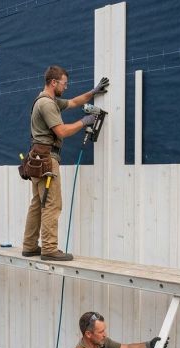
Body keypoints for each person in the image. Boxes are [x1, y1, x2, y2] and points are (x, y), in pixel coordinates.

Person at [22, 65, 109, 261]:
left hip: (37, 159)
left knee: (37, 204)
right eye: (64, 83)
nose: (66, 87)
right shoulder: (46, 104)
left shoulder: (47, 100)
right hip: (46, 160)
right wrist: (84, 122)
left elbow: (74, 102)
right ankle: (50, 249)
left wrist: (93, 92)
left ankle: (29, 246)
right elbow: (61, 132)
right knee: (52, 203)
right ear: (54, 82)